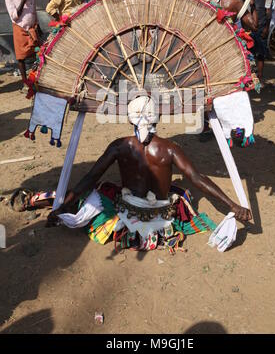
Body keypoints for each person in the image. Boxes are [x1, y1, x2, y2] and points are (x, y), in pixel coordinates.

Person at [47, 96, 251, 251]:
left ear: (129, 119)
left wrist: (63, 207)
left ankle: (53, 204)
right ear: (158, 117)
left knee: (102, 190)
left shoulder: (119, 146)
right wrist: (232, 205)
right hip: (161, 214)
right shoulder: (170, 149)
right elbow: (197, 178)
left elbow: (92, 177)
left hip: (127, 211)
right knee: (183, 194)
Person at [5, 0, 40, 86]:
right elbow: (15, 16)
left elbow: (34, 12)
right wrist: (23, 0)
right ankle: (25, 82)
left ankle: (37, 78)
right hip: (19, 28)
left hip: (32, 28)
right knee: (21, 57)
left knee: (38, 54)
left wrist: (37, 26)